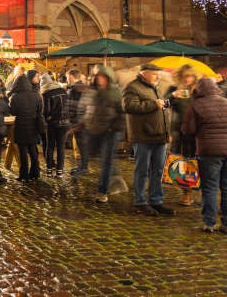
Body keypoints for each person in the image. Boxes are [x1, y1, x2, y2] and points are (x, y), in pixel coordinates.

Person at [123, 63, 175, 216]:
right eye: (154, 74)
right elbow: (129, 107)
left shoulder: (155, 87)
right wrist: (154, 104)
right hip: (143, 136)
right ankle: (140, 202)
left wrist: (167, 131)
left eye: (158, 74)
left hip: (160, 135)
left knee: (158, 170)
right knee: (142, 170)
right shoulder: (133, 87)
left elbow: (162, 109)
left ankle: (156, 200)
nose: (157, 76)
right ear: (144, 74)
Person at [182, 77, 227, 233]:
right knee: (226, 187)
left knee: (210, 187)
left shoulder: (195, 105)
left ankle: (209, 223)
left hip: (209, 151)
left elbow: (188, 130)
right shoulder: (225, 102)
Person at [82, 67, 126, 203]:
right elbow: (87, 109)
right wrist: (85, 123)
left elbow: (121, 113)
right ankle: (116, 179)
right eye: (98, 76)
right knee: (100, 159)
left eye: (102, 76)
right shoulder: (92, 91)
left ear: (108, 78)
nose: (99, 79)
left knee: (107, 161)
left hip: (110, 132)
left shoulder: (115, 92)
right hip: (95, 130)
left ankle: (102, 191)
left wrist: (115, 127)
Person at [167, 64, 199, 206]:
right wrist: (172, 96)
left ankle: (195, 189)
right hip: (178, 130)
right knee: (180, 161)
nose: (187, 79)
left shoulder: (198, 91)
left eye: (190, 76)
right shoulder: (173, 90)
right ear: (180, 76)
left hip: (194, 131)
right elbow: (163, 104)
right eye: (185, 76)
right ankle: (186, 192)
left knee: (194, 161)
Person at [9, 74, 44, 181]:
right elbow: (40, 109)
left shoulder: (15, 97)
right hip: (33, 125)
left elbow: (13, 112)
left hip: (21, 126)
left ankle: (24, 175)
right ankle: (35, 173)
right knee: (33, 149)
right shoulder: (35, 95)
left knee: (23, 151)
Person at [40, 73, 70, 178]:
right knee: (61, 147)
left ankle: (49, 170)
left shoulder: (46, 93)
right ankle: (60, 171)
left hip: (52, 124)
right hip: (65, 123)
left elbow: (46, 111)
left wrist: (46, 118)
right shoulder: (63, 90)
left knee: (50, 146)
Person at [67, 69, 91, 176]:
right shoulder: (83, 87)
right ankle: (82, 166)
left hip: (79, 122)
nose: (67, 79)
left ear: (71, 76)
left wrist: (73, 121)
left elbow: (73, 107)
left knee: (82, 145)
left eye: (67, 77)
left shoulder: (75, 89)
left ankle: (84, 167)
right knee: (82, 145)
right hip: (83, 121)